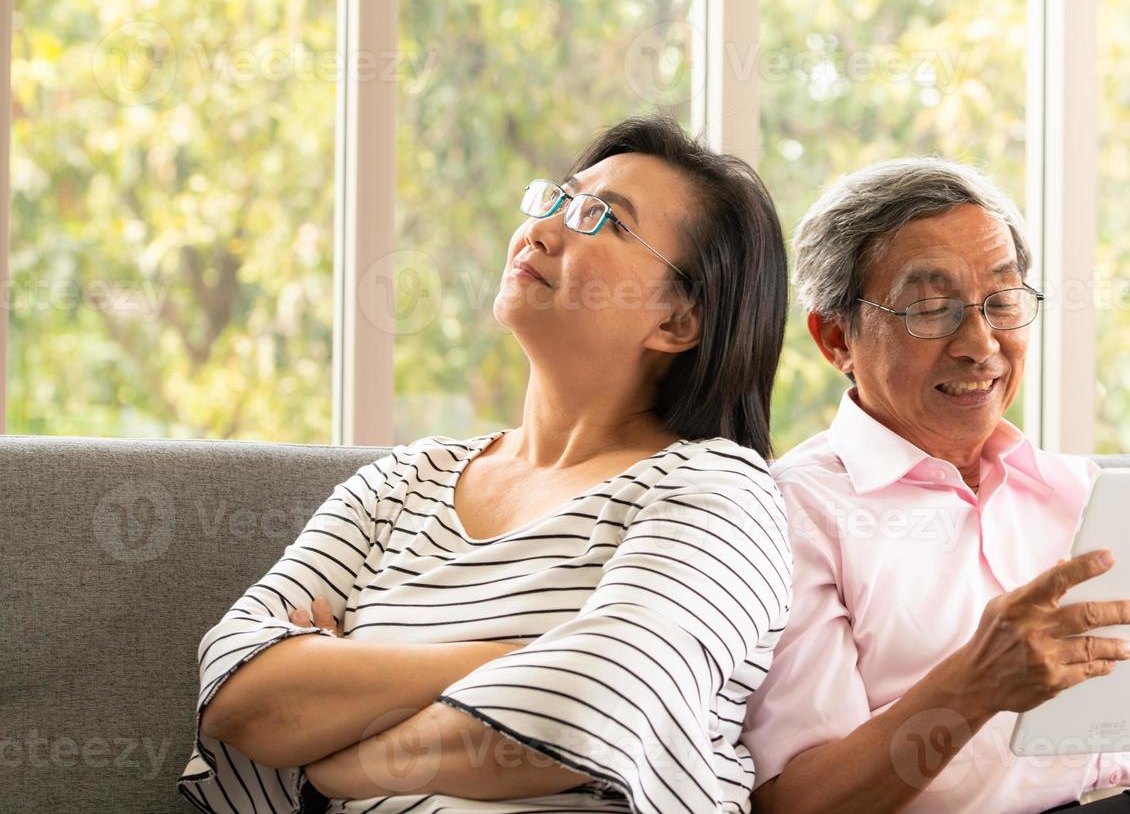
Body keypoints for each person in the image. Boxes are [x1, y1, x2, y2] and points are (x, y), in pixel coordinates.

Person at [178, 115, 794, 814]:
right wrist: (524, 654)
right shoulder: (402, 482)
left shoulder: (717, 491)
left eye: (603, 221)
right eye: (558, 198)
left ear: (677, 322)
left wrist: (333, 764)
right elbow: (237, 696)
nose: (544, 229)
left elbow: (596, 699)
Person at [742, 158, 1130, 814]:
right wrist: (971, 688)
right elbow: (798, 805)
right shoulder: (794, 512)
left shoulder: (1083, 490)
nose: (980, 343)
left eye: (1002, 303)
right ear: (835, 338)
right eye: (930, 310)